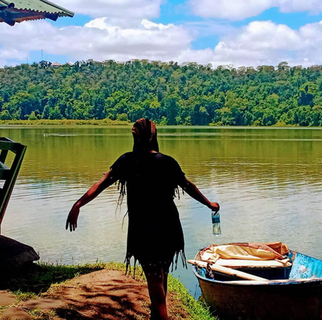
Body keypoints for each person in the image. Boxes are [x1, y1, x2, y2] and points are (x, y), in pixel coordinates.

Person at [66, 118, 220, 320]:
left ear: (135, 137)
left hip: (144, 230)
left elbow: (101, 183)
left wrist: (78, 204)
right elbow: (188, 186)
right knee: (160, 277)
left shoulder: (128, 161)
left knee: (155, 281)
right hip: (169, 228)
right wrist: (209, 204)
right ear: (154, 137)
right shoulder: (167, 162)